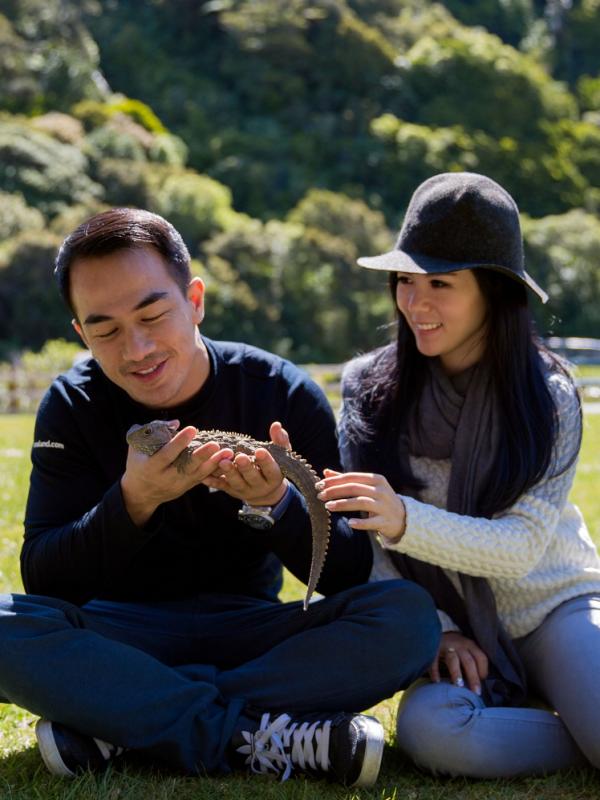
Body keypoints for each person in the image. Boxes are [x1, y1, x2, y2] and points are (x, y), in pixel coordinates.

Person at [0, 208, 440, 785]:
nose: (136, 349)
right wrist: (132, 502)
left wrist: (276, 507)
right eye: (105, 330)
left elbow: (348, 573)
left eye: (153, 314)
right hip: (122, 636)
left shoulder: (282, 390)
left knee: (407, 617)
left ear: (195, 300)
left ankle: (128, 720)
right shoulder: (71, 404)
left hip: (254, 633)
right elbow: (48, 581)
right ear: (81, 333)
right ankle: (250, 738)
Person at [315, 172, 600, 777]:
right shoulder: (367, 387)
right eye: (406, 282)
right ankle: (582, 731)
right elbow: (369, 545)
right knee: (432, 735)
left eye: (440, 283)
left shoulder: (548, 396)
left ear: (493, 293)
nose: (416, 304)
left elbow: (521, 548)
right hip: (451, 624)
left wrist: (405, 517)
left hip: (554, 607)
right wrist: (437, 629)